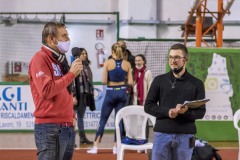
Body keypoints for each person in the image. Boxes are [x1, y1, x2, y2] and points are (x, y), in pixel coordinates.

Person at [28, 22, 82, 160]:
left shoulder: (60, 60)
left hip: (67, 126)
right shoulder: (40, 58)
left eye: (67, 36)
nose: (68, 39)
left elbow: (65, 91)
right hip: (49, 128)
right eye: (64, 36)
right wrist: (71, 75)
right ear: (51, 39)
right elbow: (46, 91)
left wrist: (71, 115)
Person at [144, 43, 206, 160]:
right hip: (162, 134)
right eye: (171, 57)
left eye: (177, 57)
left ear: (185, 60)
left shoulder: (197, 84)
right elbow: (148, 106)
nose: (173, 60)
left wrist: (185, 112)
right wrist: (168, 112)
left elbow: (201, 112)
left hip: (185, 136)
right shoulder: (159, 80)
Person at [87, 42, 133, 154]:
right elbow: (131, 82)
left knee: (103, 120)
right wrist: (122, 80)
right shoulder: (127, 64)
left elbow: (103, 81)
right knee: (119, 122)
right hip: (122, 93)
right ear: (123, 52)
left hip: (110, 93)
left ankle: (95, 147)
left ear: (112, 52)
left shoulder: (108, 63)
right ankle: (116, 147)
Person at [71, 47, 95, 146]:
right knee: (72, 118)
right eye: (82, 54)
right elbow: (72, 82)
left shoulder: (86, 66)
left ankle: (82, 138)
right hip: (77, 95)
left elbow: (89, 82)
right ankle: (71, 140)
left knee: (80, 117)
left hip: (84, 95)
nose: (84, 55)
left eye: (85, 53)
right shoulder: (74, 65)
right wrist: (73, 96)